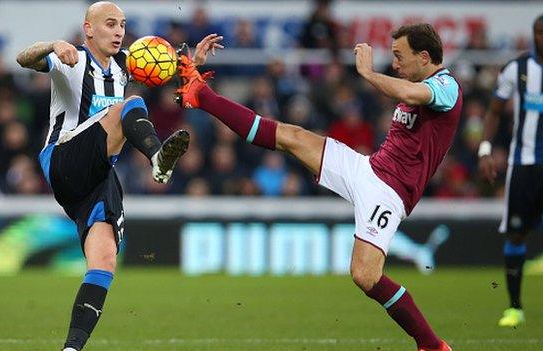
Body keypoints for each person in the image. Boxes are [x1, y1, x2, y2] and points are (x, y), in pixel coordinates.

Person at [177, 25, 459, 351]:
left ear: (424, 57)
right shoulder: (417, 83)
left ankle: (432, 345)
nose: (395, 64)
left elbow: (410, 95)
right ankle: (203, 96)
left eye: (399, 56)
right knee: (291, 136)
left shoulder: (447, 86)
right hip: (367, 168)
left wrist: (366, 72)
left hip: (389, 191)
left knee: (365, 276)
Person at [15, 2, 222, 350]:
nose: (119, 31)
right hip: (64, 159)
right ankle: (157, 157)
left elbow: (165, 67)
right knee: (129, 105)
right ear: (89, 29)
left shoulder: (126, 64)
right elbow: (23, 58)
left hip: (98, 174)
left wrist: (193, 63)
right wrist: (52, 45)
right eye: (110, 24)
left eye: (123, 25)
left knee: (105, 260)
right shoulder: (74, 59)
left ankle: (71, 348)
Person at [478, 14, 543, 328]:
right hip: (524, 165)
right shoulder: (516, 70)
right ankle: (515, 307)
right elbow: (493, 111)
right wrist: (486, 149)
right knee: (517, 232)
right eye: (539, 33)